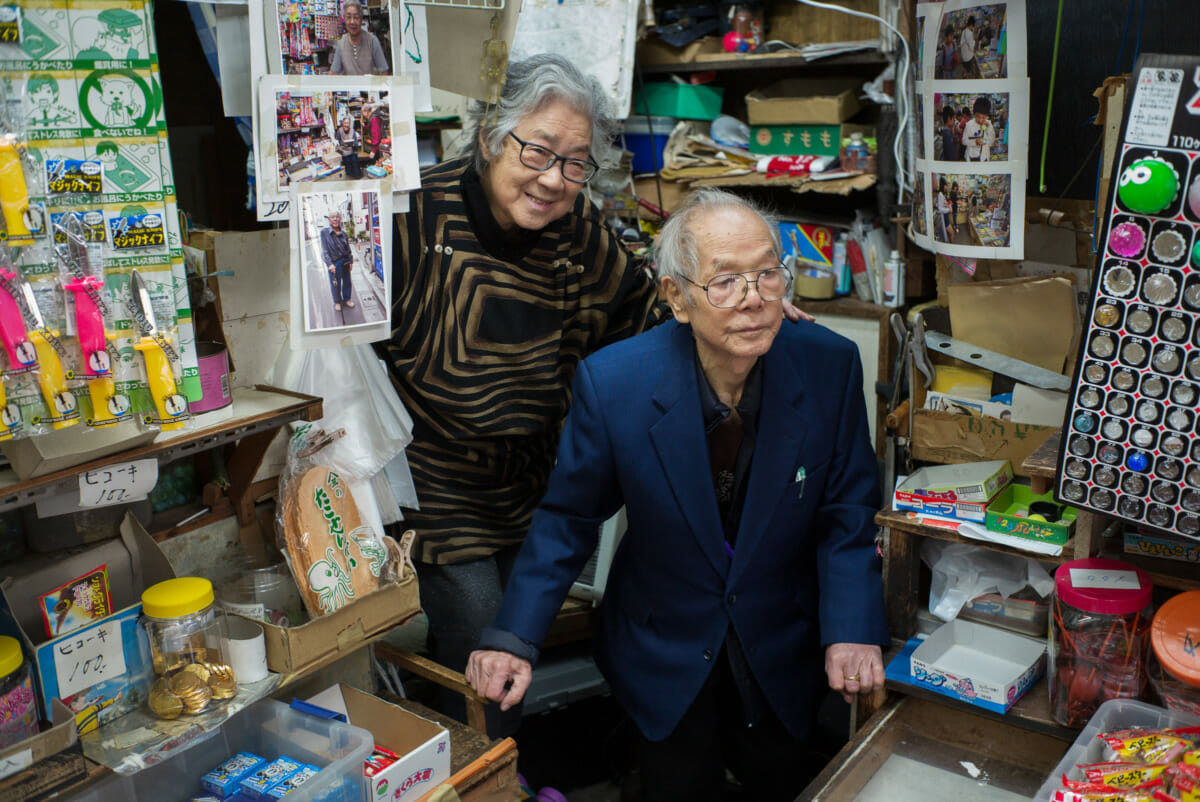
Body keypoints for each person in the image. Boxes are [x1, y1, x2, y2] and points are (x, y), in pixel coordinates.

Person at [466, 189, 889, 801]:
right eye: (724, 281)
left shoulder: (829, 364)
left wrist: (851, 627)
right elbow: (568, 519)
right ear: (675, 297)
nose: (753, 299)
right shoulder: (616, 384)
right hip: (661, 648)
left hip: (783, 645)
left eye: (767, 274)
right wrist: (513, 638)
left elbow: (847, 512)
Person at [378, 54, 667, 737]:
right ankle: (481, 776)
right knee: (483, 632)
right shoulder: (414, 212)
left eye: (574, 162)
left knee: (518, 635)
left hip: (534, 483)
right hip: (432, 482)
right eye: (537, 150)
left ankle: (497, 770)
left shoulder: (581, 235)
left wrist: (734, 301)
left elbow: (645, 312)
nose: (552, 179)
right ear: (489, 138)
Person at [329, 0, 388, 75]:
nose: (352, 22)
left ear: (361, 19)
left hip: (369, 86)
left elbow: (384, 72)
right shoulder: (341, 43)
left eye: (356, 17)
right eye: (348, 17)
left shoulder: (372, 41)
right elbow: (333, 73)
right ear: (344, 19)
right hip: (350, 86)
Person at [320, 210, 355, 312]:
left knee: (347, 281)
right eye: (332, 217)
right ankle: (337, 302)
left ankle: (347, 299)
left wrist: (351, 261)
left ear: (340, 218)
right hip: (334, 263)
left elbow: (348, 249)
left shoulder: (343, 233)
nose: (335, 219)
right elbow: (324, 251)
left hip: (345, 261)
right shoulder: (324, 232)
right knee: (335, 284)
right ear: (329, 219)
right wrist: (330, 264)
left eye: (337, 216)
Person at [962, 96, 996, 162]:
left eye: (983, 117)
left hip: (984, 158)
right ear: (974, 113)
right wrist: (975, 142)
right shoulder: (969, 125)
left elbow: (991, 141)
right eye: (977, 116)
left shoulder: (988, 124)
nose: (980, 120)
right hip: (971, 158)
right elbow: (964, 141)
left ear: (987, 116)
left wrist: (988, 129)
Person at [335, 115, 361, 179]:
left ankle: (357, 179)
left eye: (348, 123)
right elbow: (337, 141)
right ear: (342, 124)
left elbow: (355, 143)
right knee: (347, 162)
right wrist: (339, 147)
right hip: (343, 152)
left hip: (351, 151)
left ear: (349, 124)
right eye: (345, 123)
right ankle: (349, 178)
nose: (346, 125)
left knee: (355, 162)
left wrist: (353, 145)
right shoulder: (340, 131)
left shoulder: (352, 131)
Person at [937, 176, 953, 241]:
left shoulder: (942, 194)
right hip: (944, 218)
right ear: (943, 185)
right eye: (945, 185)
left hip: (945, 217)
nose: (946, 187)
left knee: (949, 234)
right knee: (952, 233)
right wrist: (948, 210)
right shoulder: (940, 195)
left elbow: (942, 206)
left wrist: (948, 205)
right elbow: (940, 208)